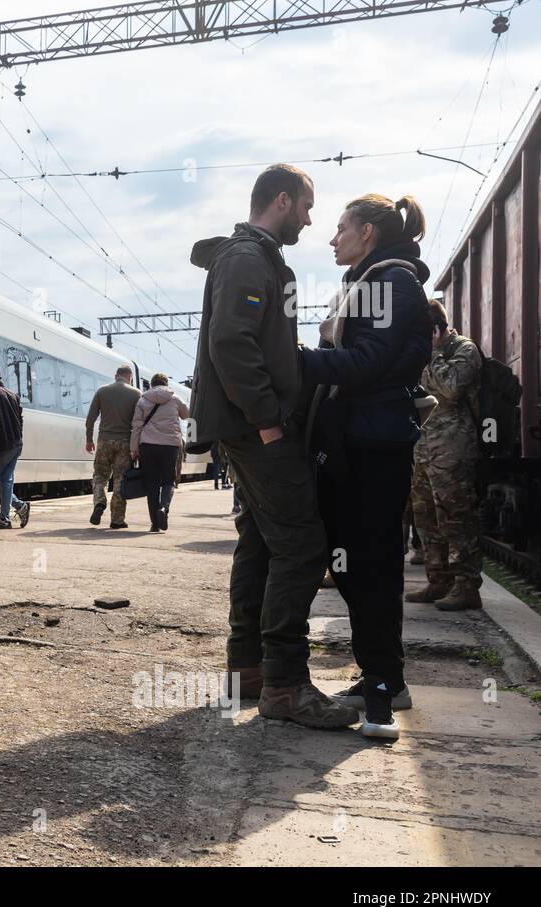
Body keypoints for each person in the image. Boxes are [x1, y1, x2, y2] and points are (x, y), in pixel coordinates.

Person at [189, 163, 355, 730]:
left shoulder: (257, 259)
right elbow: (231, 344)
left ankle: (250, 672)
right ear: (281, 201)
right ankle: (285, 685)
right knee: (303, 547)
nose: (311, 221)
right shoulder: (246, 259)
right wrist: (267, 422)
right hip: (256, 427)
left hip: (249, 424)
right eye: (308, 208)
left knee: (261, 542)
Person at [301, 192, 433, 741]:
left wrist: (295, 360)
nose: (332, 238)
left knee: (369, 563)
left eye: (340, 228)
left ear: (368, 234)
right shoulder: (378, 281)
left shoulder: (387, 282)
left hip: (371, 442)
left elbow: (368, 363)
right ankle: (383, 675)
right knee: (358, 562)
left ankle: (380, 686)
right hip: (365, 438)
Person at [407, 301, 483, 611]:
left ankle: (466, 586)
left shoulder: (464, 350)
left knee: (456, 517)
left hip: (453, 449)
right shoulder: (424, 352)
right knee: (426, 518)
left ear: (436, 330)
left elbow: (450, 388)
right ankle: (438, 581)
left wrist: (433, 352)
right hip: (423, 449)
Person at [131, 372, 189, 533]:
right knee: (169, 481)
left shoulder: (142, 400)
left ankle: (154, 525)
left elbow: (136, 426)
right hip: (170, 446)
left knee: (152, 485)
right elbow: (187, 415)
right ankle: (164, 508)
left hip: (147, 446)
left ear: (151, 385)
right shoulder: (175, 398)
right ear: (166, 384)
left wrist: (134, 449)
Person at [85, 365, 140, 528]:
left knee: (100, 476)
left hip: (104, 441)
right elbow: (139, 422)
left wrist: (89, 439)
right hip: (125, 442)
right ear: (130, 377)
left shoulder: (102, 391)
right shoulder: (136, 393)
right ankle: (117, 520)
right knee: (120, 480)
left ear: (116, 375)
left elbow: (90, 419)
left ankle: (99, 502)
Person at [0, 366, 30, 529]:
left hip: (0, 445)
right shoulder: (13, 395)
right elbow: (21, 420)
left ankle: (9, 513)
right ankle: (13, 511)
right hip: (16, 443)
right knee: (6, 479)